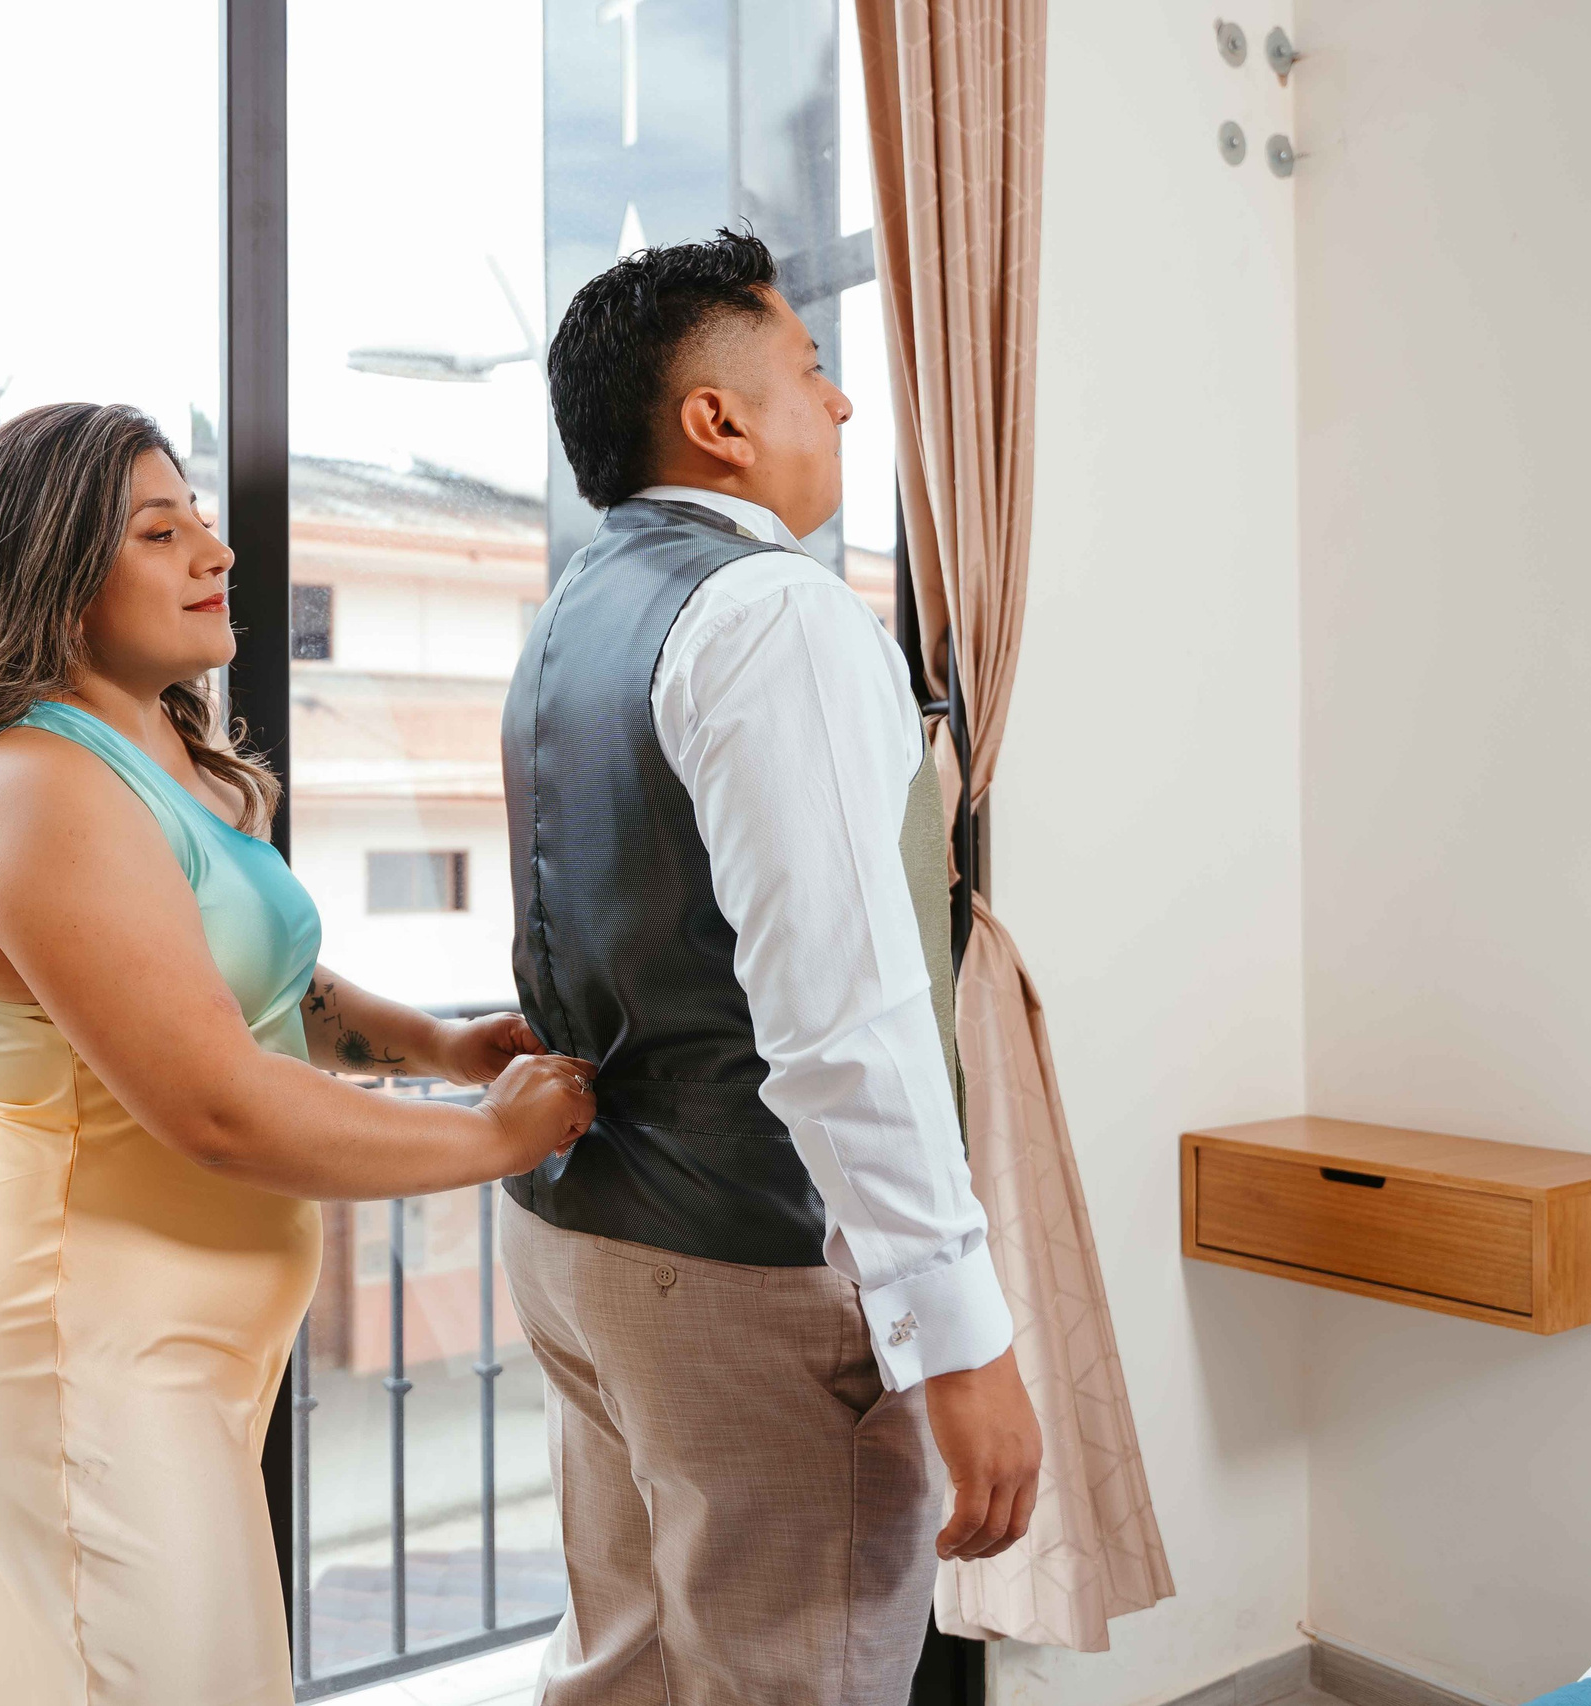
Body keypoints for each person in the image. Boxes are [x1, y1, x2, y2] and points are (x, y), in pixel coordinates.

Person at [0, 400, 594, 1706]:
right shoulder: (36, 785)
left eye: (202, 519)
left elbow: (246, 975)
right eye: (163, 531)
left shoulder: (150, 750)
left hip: (173, 1345)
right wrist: (494, 1135)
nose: (215, 553)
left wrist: (429, 1042)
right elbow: (213, 1103)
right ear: (52, 573)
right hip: (81, 1345)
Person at [500, 229, 1042, 1704]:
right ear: (718, 422)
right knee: (798, 1673)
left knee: (624, 1667)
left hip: (578, 1244)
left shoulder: (570, 619)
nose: (845, 403)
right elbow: (839, 1014)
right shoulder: (774, 612)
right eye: (812, 369)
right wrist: (962, 1335)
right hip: (743, 1267)